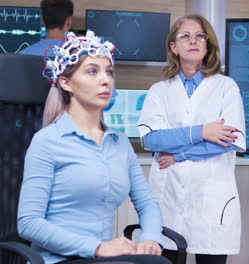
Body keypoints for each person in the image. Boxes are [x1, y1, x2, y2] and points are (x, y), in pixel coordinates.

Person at [17, 30, 170, 264]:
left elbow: (147, 203)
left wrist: (150, 238)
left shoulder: (119, 144)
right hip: (57, 260)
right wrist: (97, 247)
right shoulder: (47, 141)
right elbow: (28, 223)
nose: (105, 79)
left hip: (102, 259)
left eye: (109, 71)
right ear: (65, 82)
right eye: (92, 71)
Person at [137, 14, 246, 264]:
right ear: (173, 47)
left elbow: (228, 140)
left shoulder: (226, 88)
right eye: (184, 36)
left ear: (208, 46)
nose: (193, 40)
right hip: (169, 197)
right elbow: (151, 139)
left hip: (212, 198)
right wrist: (202, 132)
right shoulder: (159, 91)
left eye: (199, 36)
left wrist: (178, 154)